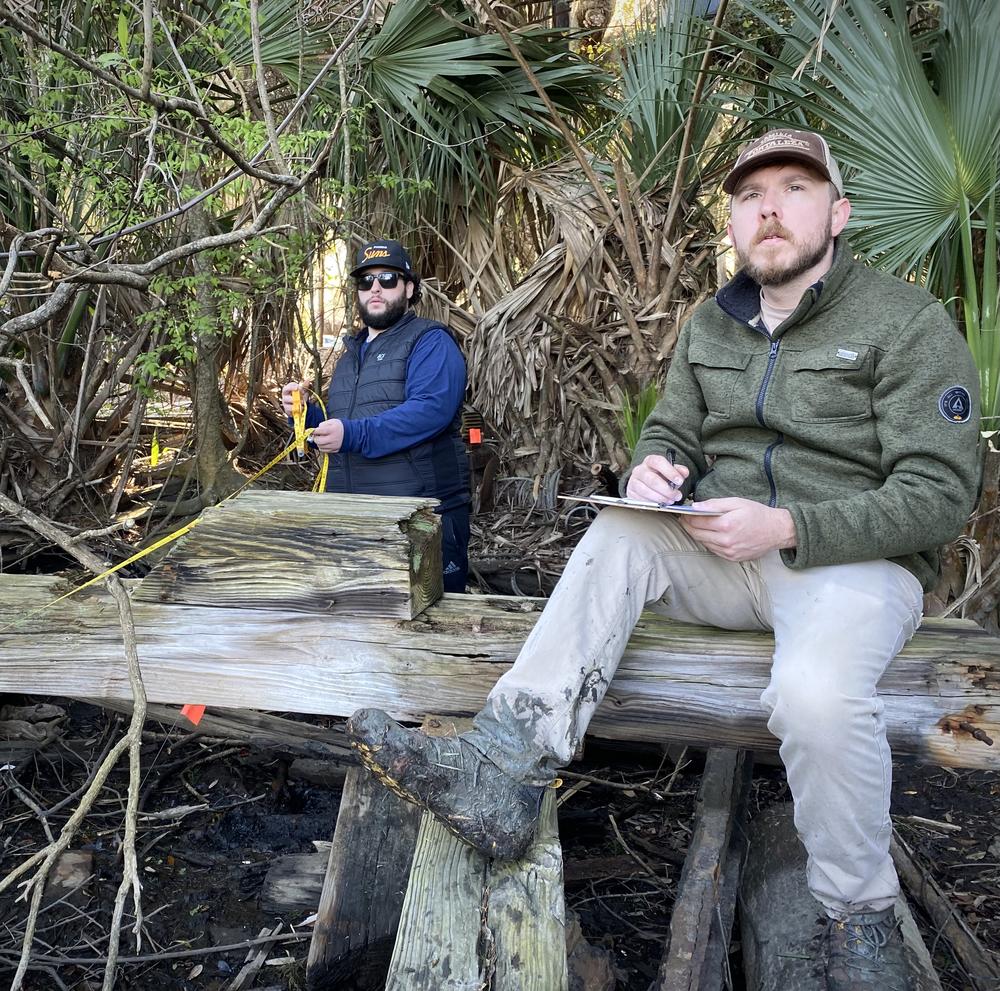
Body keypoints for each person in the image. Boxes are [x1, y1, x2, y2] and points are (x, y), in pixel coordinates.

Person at [345, 130, 982, 988]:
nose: (769, 207)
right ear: (733, 221)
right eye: (752, 194)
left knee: (815, 696)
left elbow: (940, 494)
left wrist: (788, 524)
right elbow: (674, 429)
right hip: (726, 551)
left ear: (839, 213)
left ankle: (857, 918)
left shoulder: (904, 322)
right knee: (618, 532)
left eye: (794, 188)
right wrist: (660, 467)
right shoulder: (710, 324)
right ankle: (503, 768)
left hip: (854, 567)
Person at [281, 239, 471, 591]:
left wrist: (352, 434)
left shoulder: (430, 342)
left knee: (431, 626)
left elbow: (431, 411)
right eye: (366, 281)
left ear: (409, 287)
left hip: (419, 519)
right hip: (354, 519)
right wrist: (304, 415)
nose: (376, 288)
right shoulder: (350, 354)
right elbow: (343, 427)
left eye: (387, 278)